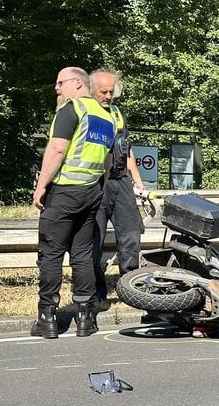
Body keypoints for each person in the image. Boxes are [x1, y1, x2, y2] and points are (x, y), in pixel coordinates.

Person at [30, 66, 115, 339]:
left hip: (64, 192)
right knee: (81, 256)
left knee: (51, 254)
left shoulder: (72, 110)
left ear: (78, 83)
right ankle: (85, 317)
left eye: (60, 83)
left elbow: (56, 150)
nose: (57, 88)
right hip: (91, 192)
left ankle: (47, 317)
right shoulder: (106, 117)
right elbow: (106, 161)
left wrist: (41, 186)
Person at [89, 68, 146, 302]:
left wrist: (139, 184)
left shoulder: (116, 113)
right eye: (104, 91)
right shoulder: (86, 112)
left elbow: (126, 148)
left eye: (112, 92)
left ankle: (129, 286)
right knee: (94, 237)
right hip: (96, 183)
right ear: (91, 90)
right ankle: (95, 290)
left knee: (131, 231)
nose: (108, 96)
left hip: (120, 179)